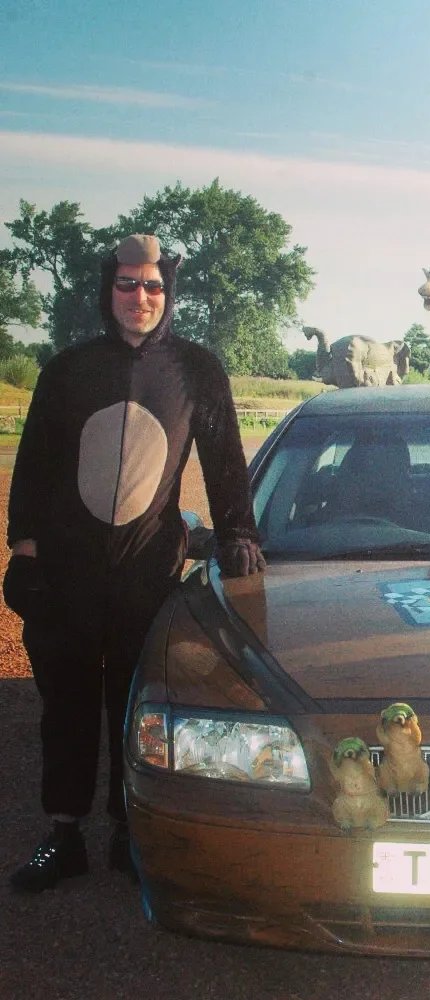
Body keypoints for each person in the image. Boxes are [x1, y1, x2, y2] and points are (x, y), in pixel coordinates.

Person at [3, 234, 266, 893]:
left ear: (168, 293)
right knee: (65, 704)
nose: (139, 296)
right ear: (108, 289)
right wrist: (24, 549)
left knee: (135, 705)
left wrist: (238, 532)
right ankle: (64, 832)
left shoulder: (197, 371)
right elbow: (34, 464)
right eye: (127, 283)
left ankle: (129, 829)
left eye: (152, 285)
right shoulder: (67, 369)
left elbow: (224, 462)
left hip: (147, 576)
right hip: (65, 575)